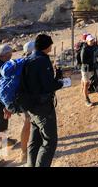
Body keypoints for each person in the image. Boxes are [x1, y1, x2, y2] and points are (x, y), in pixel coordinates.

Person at [21, 34, 65, 167]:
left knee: (35, 141)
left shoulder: (29, 58)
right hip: (43, 107)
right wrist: (61, 82)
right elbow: (48, 86)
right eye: (50, 44)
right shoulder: (42, 60)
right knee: (50, 141)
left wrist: (56, 76)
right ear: (46, 46)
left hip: (32, 107)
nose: (51, 46)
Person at [17, 41, 35, 164]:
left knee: (28, 123)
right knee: (29, 123)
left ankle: (24, 150)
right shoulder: (31, 63)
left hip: (23, 99)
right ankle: (24, 152)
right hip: (30, 99)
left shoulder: (21, 62)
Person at [80, 34, 97, 107]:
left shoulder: (93, 47)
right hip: (86, 69)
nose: (92, 41)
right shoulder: (84, 49)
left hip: (91, 68)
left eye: (92, 40)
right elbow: (83, 61)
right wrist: (93, 60)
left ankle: (84, 91)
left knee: (87, 83)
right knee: (86, 84)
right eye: (90, 41)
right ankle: (86, 99)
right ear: (87, 41)